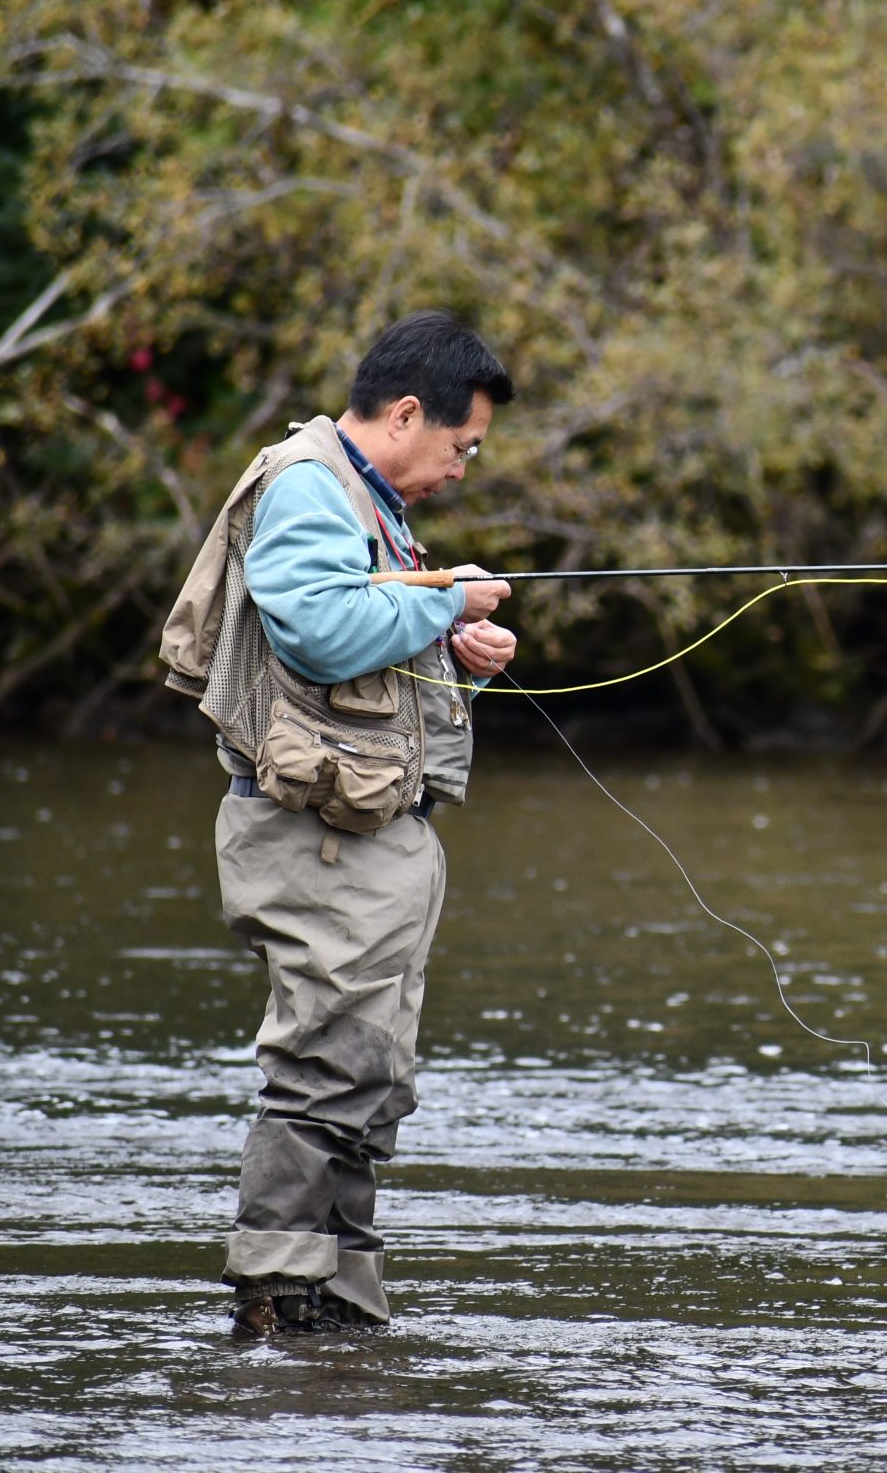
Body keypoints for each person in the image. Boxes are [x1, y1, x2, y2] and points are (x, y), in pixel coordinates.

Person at [158, 309, 517, 1338]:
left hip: (367, 839)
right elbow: (315, 630)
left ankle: (339, 1303)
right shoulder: (311, 486)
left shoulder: (367, 502)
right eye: (462, 444)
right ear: (408, 413)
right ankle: (274, 1293)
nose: (463, 467)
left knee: (371, 1073)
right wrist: (446, 608)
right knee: (327, 1063)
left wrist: (458, 656)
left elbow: (364, 664)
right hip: (314, 840)